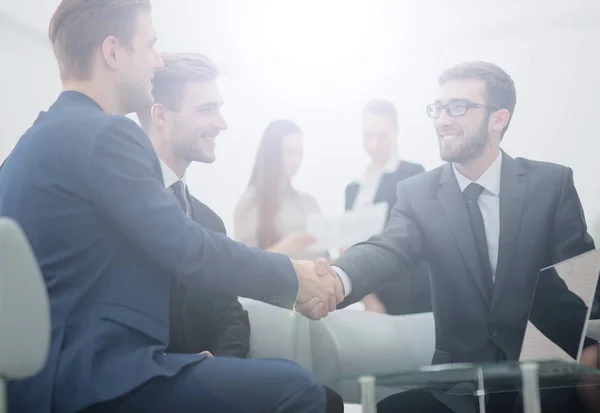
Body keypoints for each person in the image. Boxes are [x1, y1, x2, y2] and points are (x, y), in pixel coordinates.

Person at [0, 1, 343, 412]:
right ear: (112, 52)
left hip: (37, 387)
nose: (157, 60)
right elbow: (187, 248)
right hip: (97, 381)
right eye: (150, 45)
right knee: (297, 388)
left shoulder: (24, 149)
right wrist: (295, 277)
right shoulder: (107, 135)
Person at [316, 61, 597, 413]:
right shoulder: (419, 194)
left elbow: (583, 282)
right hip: (459, 389)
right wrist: (337, 279)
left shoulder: (550, 185)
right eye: (438, 108)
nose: (443, 120)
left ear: (499, 118)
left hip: (546, 381)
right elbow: (388, 247)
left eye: (458, 107)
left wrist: (588, 346)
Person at [139, 52, 344, 413]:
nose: (222, 123)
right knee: (305, 393)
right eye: (207, 109)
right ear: (161, 115)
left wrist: (218, 362)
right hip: (151, 377)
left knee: (327, 398)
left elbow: (231, 317)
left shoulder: (207, 220)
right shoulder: (129, 205)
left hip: (205, 374)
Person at [344, 99, 430, 315]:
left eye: (382, 135)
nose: (374, 144)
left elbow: (415, 239)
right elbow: (351, 249)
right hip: (372, 297)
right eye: (368, 135)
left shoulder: (412, 175)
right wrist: (369, 300)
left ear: (395, 134)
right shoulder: (353, 189)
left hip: (411, 296)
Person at [234, 119, 325, 261]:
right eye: (289, 153)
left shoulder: (309, 202)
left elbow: (324, 256)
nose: (296, 160)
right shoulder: (251, 202)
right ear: (271, 154)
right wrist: (283, 249)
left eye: (299, 153)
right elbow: (246, 269)